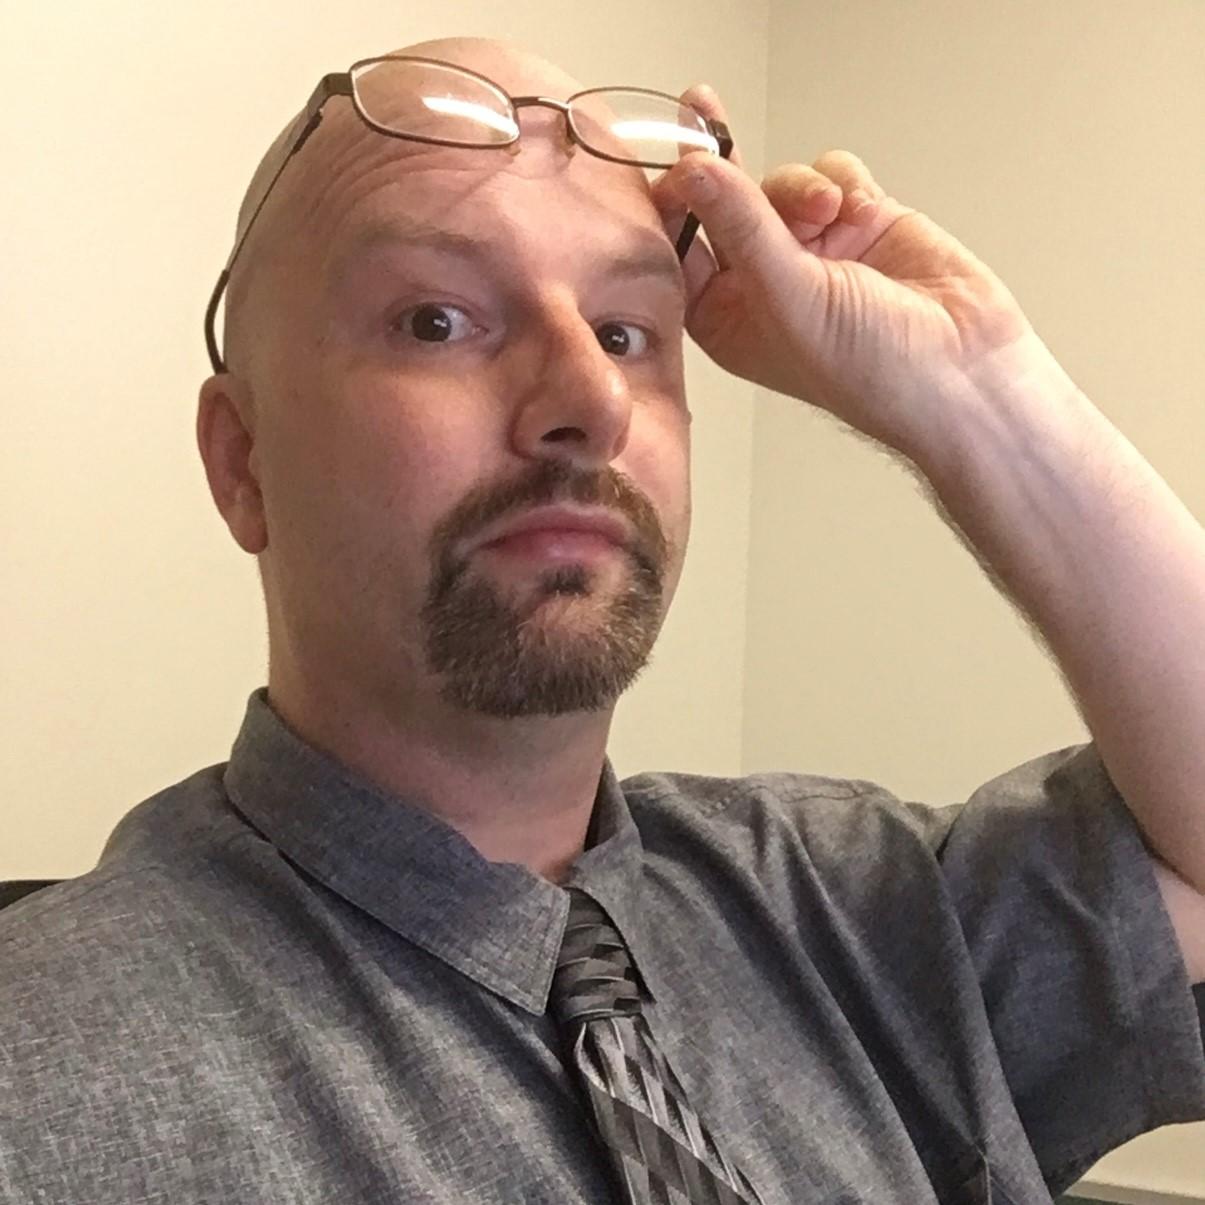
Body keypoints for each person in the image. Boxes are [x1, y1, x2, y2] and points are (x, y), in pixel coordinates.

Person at [1, 34, 1203, 1204]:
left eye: (630, 333)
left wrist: (972, 391)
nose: (590, 398)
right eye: (435, 319)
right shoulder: (43, 1073)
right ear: (242, 460)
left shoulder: (857, 911)